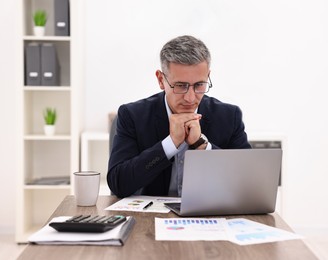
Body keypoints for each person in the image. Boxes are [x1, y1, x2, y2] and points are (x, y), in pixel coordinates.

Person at [107, 35, 251, 198]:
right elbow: (118, 183)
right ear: (161, 80)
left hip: (209, 216)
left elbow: (248, 182)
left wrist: (202, 145)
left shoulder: (229, 117)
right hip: (151, 219)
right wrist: (169, 144)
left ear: (207, 77)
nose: (190, 98)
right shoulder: (132, 115)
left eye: (199, 85)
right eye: (181, 86)